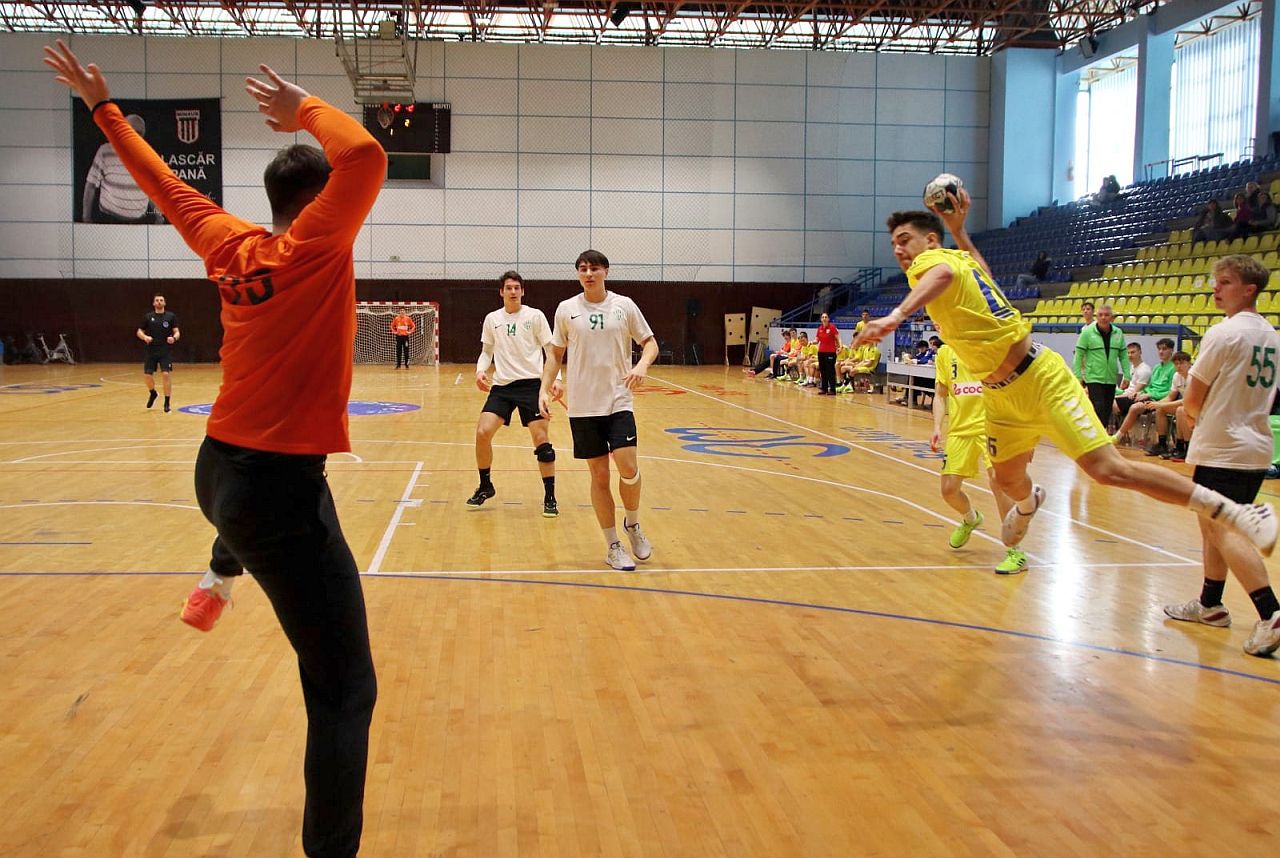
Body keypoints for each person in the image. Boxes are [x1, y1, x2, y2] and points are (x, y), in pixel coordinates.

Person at [43, 40, 382, 857]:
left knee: (274, 518)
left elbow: (162, 181)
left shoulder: (228, 243)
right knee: (345, 691)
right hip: (272, 490)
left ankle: (217, 575)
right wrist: (305, 107)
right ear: (318, 202)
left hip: (216, 469)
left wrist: (103, 108)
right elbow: (366, 156)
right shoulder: (316, 246)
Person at [851, 191, 1277, 568]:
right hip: (999, 395)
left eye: (904, 240)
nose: (898, 250)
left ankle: (1236, 512)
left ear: (930, 240)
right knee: (1005, 479)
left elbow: (940, 276)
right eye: (893, 244)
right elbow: (980, 273)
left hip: (1039, 377)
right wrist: (961, 231)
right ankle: (1029, 501)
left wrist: (895, 316)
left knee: (1108, 470)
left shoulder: (930, 265)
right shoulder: (959, 258)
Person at [1161, 255, 1280, 657]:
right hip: (1255, 447)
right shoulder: (1271, 335)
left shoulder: (1223, 333)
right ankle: (1210, 604)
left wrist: (1192, 417)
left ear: (1249, 289)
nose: (1216, 288)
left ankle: (1270, 612)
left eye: (1225, 282)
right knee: (1212, 527)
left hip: (1223, 447)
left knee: (1224, 529)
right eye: (1216, 281)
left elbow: (1192, 399)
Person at [539, 250, 658, 571]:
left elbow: (650, 343)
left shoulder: (624, 305)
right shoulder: (567, 309)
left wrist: (642, 365)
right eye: (582, 269)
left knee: (628, 467)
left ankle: (632, 524)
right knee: (600, 476)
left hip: (619, 400)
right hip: (583, 406)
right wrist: (544, 389)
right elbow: (555, 355)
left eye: (594, 268)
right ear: (578, 274)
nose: (588, 274)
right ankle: (613, 545)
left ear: (606, 271)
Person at [469, 270, 563, 517]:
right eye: (508, 288)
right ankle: (485, 485)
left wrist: (556, 379)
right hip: (502, 387)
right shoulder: (492, 319)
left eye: (517, 288)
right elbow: (486, 351)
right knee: (482, 433)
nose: (513, 292)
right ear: (501, 292)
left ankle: (550, 497)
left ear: (523, 291)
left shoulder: (535, 316)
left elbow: (551, 350)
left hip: (532, 385)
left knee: (542, 441)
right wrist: (480, 371)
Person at [931, 340, 1025, 574]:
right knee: (949, 490)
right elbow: (940, 395)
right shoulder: (944, 353)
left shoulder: (989, 345)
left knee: (998, 483)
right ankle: (970, 518)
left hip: (992, 427)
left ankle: (1016, 552)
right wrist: (937, 427)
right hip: (960, 430)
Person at [82, 111, 162, 224]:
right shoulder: (105, 151)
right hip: (108, 220)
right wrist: (86, 218)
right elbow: (91, 185)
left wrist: (159, 217)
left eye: (139, 133)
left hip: (138, 223)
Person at [1073, 303, 1128, 430]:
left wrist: (1127, 375)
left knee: (1107, 410)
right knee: (1098, 407)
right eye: (1100, 315)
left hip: (1111, 378)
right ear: (1096, 317)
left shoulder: (1118, 333)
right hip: (1093, 378)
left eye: (1107, 315)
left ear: (1112, 317)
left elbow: (1123, 355)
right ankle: (1098, 435)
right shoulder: (1087, 333)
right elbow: (1078, 355)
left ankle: (1100, 433)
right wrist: (1078, 376)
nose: (1103, 318)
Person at [136, 293, 179, 412]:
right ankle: (153, 393)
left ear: (164, 303)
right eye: (157, 300)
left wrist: (174, 338)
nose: (159, 302)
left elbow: (177, 332)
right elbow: (139, 331)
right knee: (147, 375)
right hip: (151, 350)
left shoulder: (170, 316)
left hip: (165, 350)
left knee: (165, 374)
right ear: (154, 303)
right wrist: (145, 337)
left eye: (161, 300)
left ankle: (167, 402)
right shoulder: (148, 317)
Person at [1109, 341, 1151, 440]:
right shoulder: (1130, 368)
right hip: (1125, 395)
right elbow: (1123, 388)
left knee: (1106, 403)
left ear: (1140, 352)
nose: (1130, 355)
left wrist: (1116, 396)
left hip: (1134, 398)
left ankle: (1111, 431)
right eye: (1128, 353)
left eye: (1133, 352)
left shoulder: (1144, 370)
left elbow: (1133, 393)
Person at [814, 312, 840, 395]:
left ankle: (832, 389)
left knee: (830, 371)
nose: (824, 318)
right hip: (821, 352)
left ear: (828, 319)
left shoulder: (832, 327)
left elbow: (838, 338)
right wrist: (812, 342)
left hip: (830, 352)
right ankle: (824, 389)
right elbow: (817, 340)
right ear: (821, 319)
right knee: (823, 371)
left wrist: (840, 346)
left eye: (826, 317)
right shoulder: (819, 328)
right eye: (823, 317)